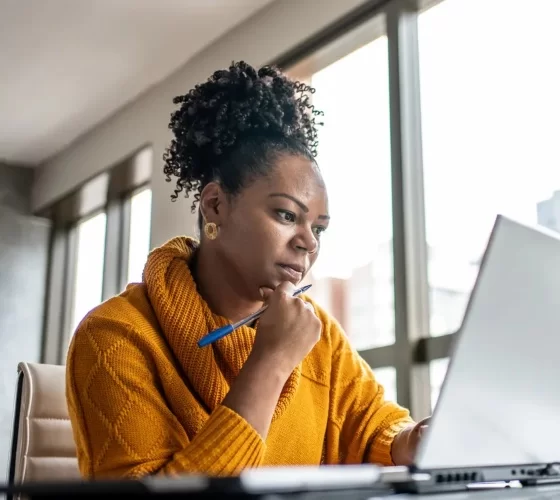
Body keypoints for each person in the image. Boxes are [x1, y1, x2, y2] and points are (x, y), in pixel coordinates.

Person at [66, 61, 427, 479]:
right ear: (216, 204)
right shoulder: (115, 336)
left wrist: (411, 439)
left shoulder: (318, 333)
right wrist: (271, 361)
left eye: (319, 228)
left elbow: (373, 427)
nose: (308, 241)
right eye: (286, 215)